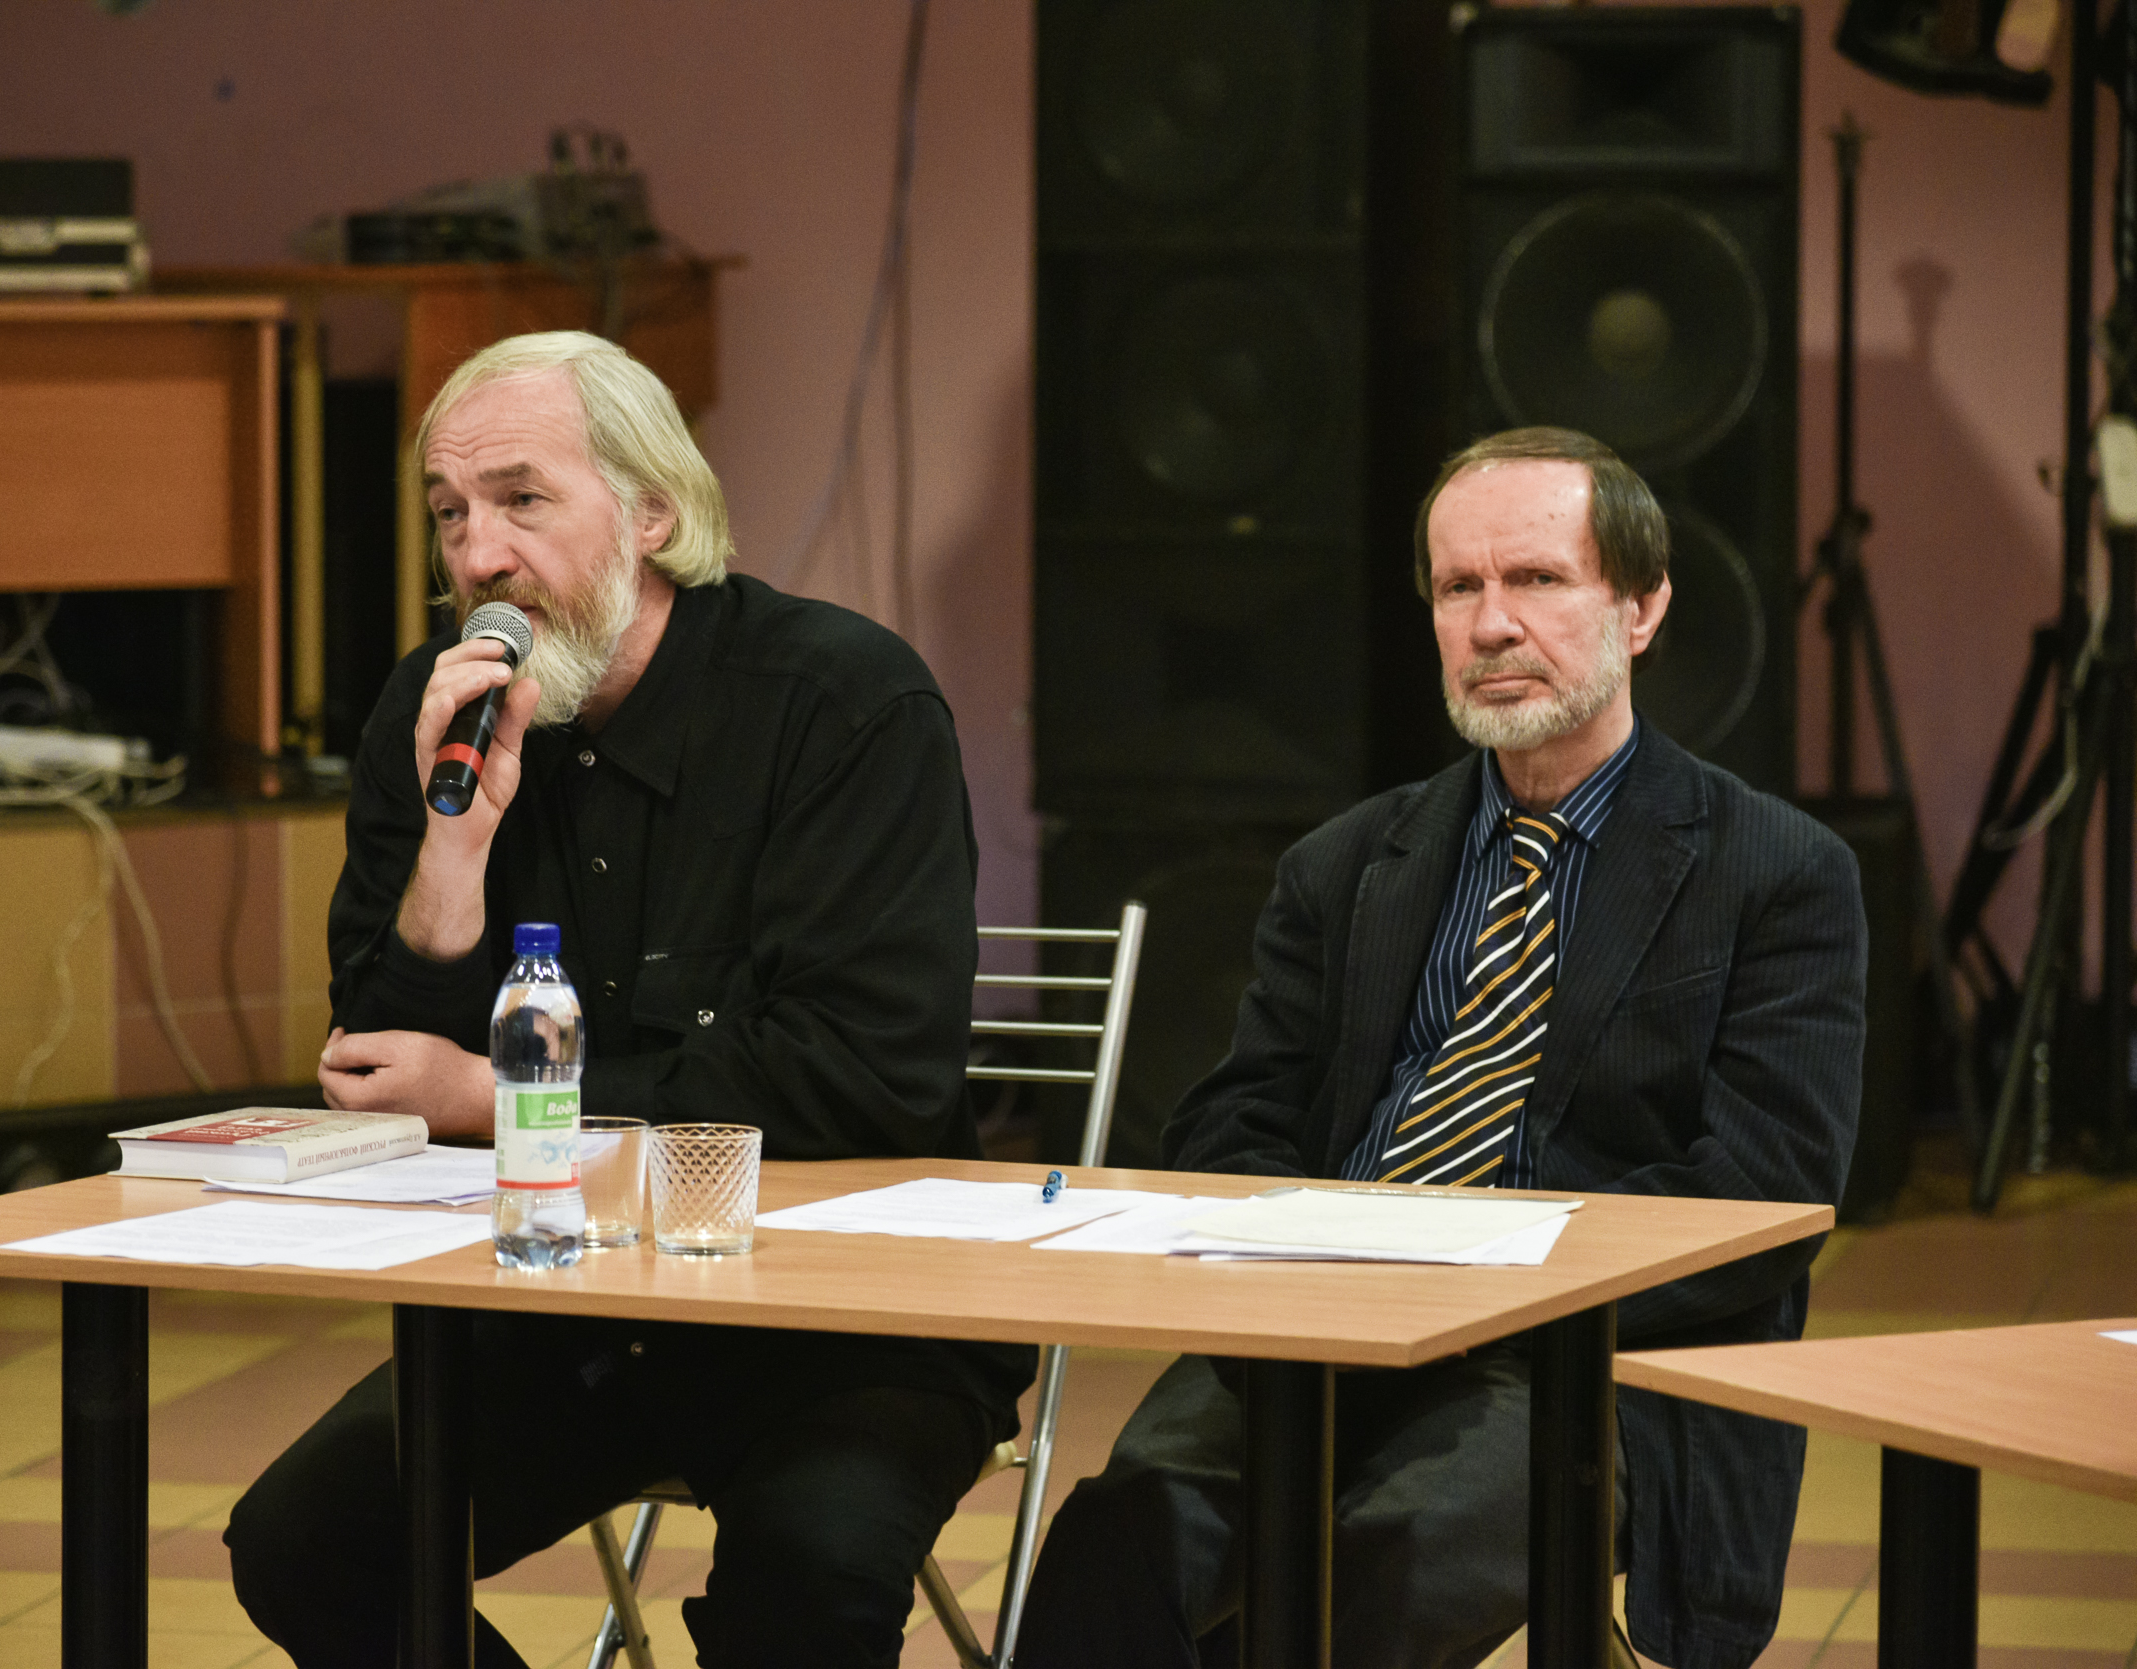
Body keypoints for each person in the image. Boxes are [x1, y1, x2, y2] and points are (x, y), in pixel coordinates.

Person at [226, 330, 1035, 1669]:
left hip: (847, 1320)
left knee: (807, 1584)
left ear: (653, 513)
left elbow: (863, 1080)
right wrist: (454, 852)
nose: (479, 554)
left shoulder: (842, 702)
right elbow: (378, 1066)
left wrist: (504, 1100)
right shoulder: (437, 717)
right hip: (575, 1308)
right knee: (306, 1541)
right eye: (450, 513)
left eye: (521, 500)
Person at [1013, 428, 1865, 1669]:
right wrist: (1296, 1255)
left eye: (1537, 579)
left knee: (1378, 1565)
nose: (1491, 623)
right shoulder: (1347, 862)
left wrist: (1488, 1282)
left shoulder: (1775, 872)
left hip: (1577, 1349)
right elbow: (1232, 1118)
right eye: (1459, 586)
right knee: (1112, 1542)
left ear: (1640, 608)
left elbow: (1768, 1187)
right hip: (1322, 1317)